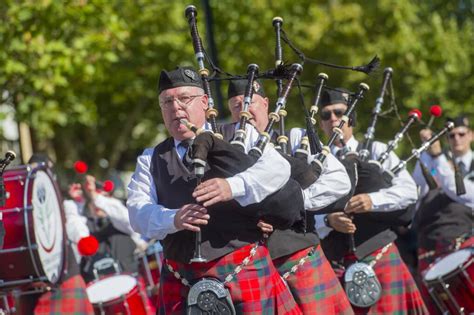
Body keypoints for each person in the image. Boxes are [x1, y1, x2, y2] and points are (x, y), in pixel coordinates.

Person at [127, 66, 301, 314]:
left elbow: (278, 169)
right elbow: (137, 213)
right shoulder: (150, 158)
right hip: (182, 276)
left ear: (205, 102)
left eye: (185, 98)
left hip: (244, 266)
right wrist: (173, 218)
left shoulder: (239, 134)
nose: (176, 107)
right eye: (167, 101)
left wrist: (233, 186)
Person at [224, 79, 354, 314]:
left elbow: (338, 181)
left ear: (266, 104)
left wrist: (291, 204)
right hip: (252, 271)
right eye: (236, 106)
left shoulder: (296, 139)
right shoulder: (226, 150)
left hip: (299, 259)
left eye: (250, 103)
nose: (244, 111)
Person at [313, 88, 428, 314]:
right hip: (336, 262)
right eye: (326, 115)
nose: (333, 119)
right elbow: (303, 207)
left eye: (339, 113)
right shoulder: (316, 161)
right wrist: (327, 220)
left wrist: (372, 200)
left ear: (352, 118)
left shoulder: (377, 150)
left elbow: (408, 190)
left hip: (379, 254)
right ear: (321, 123)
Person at [412, 115, 473, 312]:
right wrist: (425, 151)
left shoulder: (444, 165)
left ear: (470, 135)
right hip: (429, 249)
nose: (456, 139)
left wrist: (438, 157)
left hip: (466, 247)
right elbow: (414, 191)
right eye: (451, 135)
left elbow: (460, 191)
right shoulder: (435, 164)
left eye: (461, 134)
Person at [65, 174, 146, 282]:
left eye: (103, 197)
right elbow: (74, 224)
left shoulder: (122, 220)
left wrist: (94, 195)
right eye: (94, 199)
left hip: (131, 285)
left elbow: (124, 217)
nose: (98, 204)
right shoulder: (83, 225)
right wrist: (78, 202)